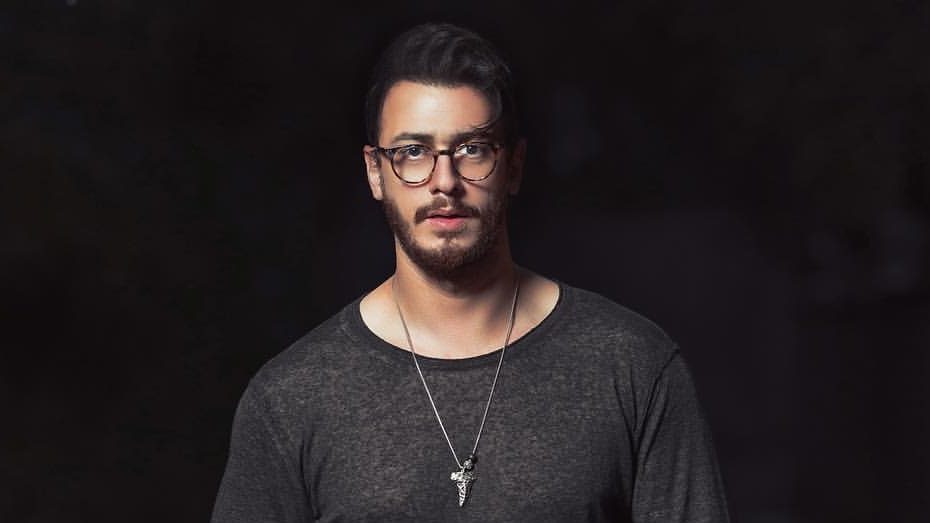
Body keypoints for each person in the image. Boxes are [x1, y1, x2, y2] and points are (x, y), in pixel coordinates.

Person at [211, 22, 729, 522]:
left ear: (514, 166)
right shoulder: (291, 397)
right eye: (413, 152)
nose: (445, 181)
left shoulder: (632, 366)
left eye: (471, 149)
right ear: (375, 172)